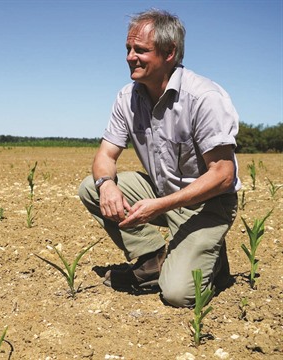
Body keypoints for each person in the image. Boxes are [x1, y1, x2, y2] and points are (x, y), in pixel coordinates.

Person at [78, 9, 240, 308]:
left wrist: (160, 206)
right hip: (162, 193)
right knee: (91, 187)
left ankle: (210, 259)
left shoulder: (204, 97)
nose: (130, 57)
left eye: (140, 50)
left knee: (178, 295)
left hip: (207, 203)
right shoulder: (127, 97)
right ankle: (153, 257)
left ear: (169, 53)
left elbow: (223, 174)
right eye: (128, 49)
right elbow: (105, 154)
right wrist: (106, 185)